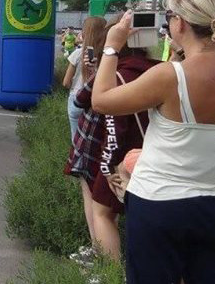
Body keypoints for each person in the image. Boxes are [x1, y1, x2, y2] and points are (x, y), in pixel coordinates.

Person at [92, 0, 215, 283]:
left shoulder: (170, 75)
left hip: (159, 204)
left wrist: (112, 47)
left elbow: (101, 100)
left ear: (179, 23)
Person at [70, 19, 156, 264]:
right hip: (155, 154)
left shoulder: (116, 73)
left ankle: (109, 271)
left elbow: (111, 125)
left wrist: (106, 168)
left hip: (121, 159)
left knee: (103, 213)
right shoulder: (159, 68)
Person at [63, 17, 107, 141]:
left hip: (76, 98)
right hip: (96, 100)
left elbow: (66, 82)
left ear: (84, 32)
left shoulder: (77, 54)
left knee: (76, 140)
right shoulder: (107, 57)